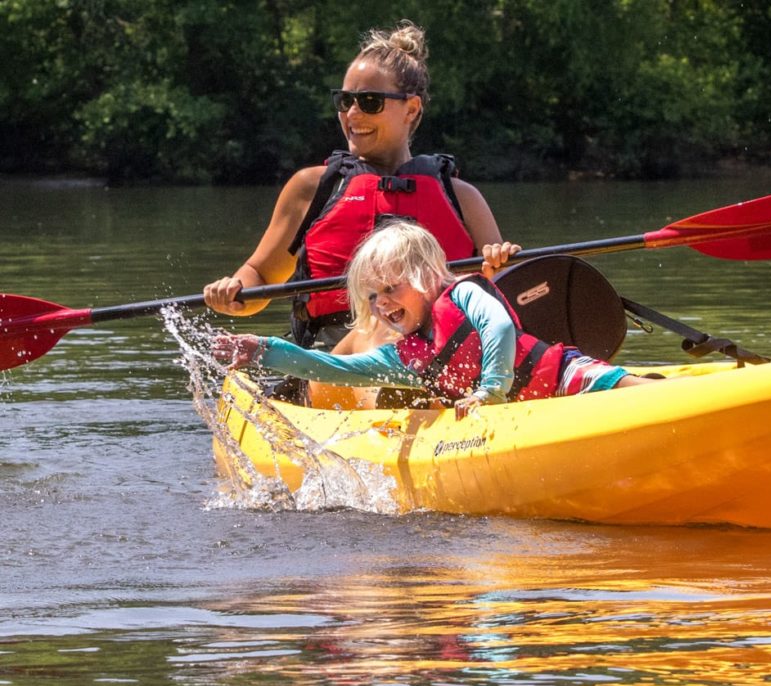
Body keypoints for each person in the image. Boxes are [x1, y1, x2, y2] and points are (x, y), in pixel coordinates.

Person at [203, 20, 517, 358]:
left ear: (411, 109)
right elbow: (261, 273)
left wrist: (497, 269)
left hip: (445, 353)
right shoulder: (312, 188)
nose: (352, 114)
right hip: (336, 357)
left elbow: (507, 295)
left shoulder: (461, 197)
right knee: (379, 334)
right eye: (345, 101)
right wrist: (236, 292)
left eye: (369, 102)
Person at [213, 221, 654, 420]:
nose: (382, 304)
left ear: (427, 277)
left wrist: (489, 390)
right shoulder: (406, 357)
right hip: (516, 418)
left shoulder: (463, 292)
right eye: (372, 296)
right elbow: (334, 369)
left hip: (563, 380)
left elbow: (499, 327)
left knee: (648, 396)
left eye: (391, 288)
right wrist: (265, 350)